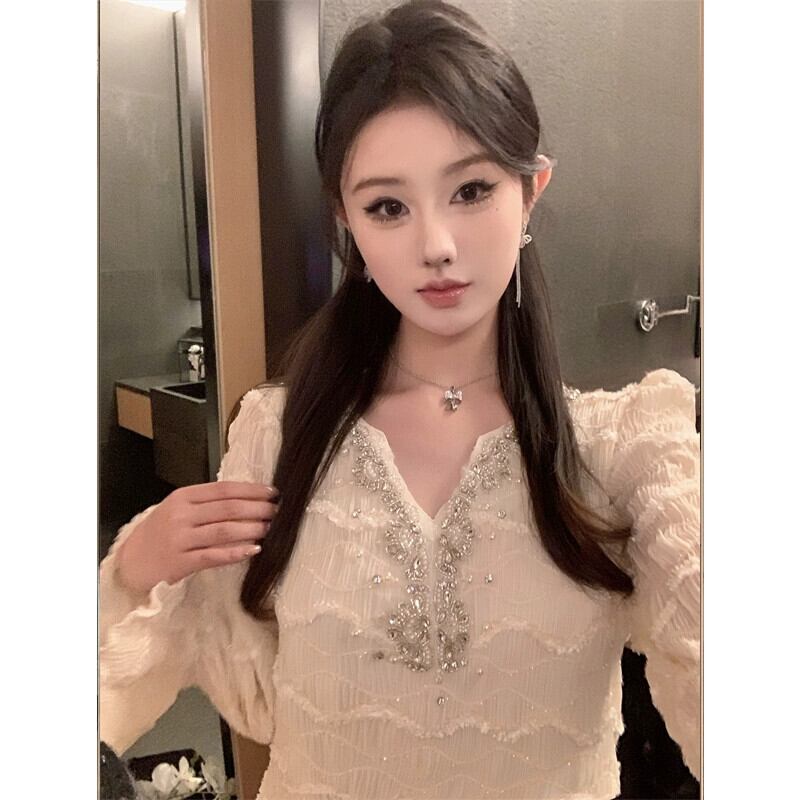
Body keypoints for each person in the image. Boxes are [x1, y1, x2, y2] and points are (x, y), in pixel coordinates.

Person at [99, 1, 700, 797]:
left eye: (472, 189)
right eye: (388, 206)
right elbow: (206, 682)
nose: (436, 245)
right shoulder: (280, 436)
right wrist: (132, 573)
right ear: (347, 220)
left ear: (531, 190)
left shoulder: (625, 449)